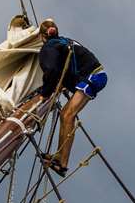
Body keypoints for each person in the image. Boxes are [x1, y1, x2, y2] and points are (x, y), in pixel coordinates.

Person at [31, 18, 104, 174]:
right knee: (65, 114)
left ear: (42, 37)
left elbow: (51, 70)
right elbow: (70, 64)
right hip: (96, 75)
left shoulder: (49, 47)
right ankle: (59, 157)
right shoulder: (64, 41)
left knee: (67, 114)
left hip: (93, 77)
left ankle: (62, 162)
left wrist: (45, 93)